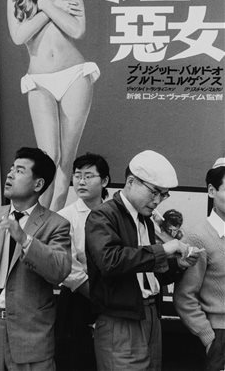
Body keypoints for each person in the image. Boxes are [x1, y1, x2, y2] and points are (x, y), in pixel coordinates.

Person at [0, 147, 71, 371]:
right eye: (10, 169)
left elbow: (60, 270)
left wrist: (25, 240)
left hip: (30, 336)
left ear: (38, 185)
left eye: (19, 170)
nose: (9, 174)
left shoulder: (56, 224)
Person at [85, 150, 203, 371]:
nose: (157, 201)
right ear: (131, 182)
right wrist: (164, 248)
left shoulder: (145, 220)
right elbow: (110, 261)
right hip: (119, 321)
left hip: (150, 315)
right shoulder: (103, 215)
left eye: (164, 195)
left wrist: (179, 265)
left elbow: (150, 274)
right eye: (154, 193)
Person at [7, 0, 100, 211]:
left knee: (66, 158)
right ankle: (37, 218)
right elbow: (19, 36)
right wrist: (49, 7)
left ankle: (52, 220)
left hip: (74, 75)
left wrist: (48, 5)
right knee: (49, 156)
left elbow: (76, 30)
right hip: (40, 80)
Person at [55, 153, 110, 371]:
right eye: (77, 176)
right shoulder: (65, 216)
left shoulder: (114, 214)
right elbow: (68, 266)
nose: (81, 181)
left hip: (115, 295)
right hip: (78, 297)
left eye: (89, 176)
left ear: (104, 181)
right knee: (77, 359)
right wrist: (96, 296)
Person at [173, 158, 225, 371]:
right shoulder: (198, 236)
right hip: (220, 335)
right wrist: (209, 338)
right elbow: (185, 296)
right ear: (212, 191)